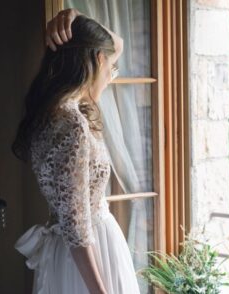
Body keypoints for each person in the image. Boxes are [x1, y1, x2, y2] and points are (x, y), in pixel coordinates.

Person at [11, 8, 140, 294]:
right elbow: (77, 229)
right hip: (90, 256)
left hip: (77, 252)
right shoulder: (71, 123)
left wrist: (75, 16)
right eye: (110, 69)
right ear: (97, 59)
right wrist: (101, 291)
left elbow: (116, 45)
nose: (110, 77)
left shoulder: (53, 112)